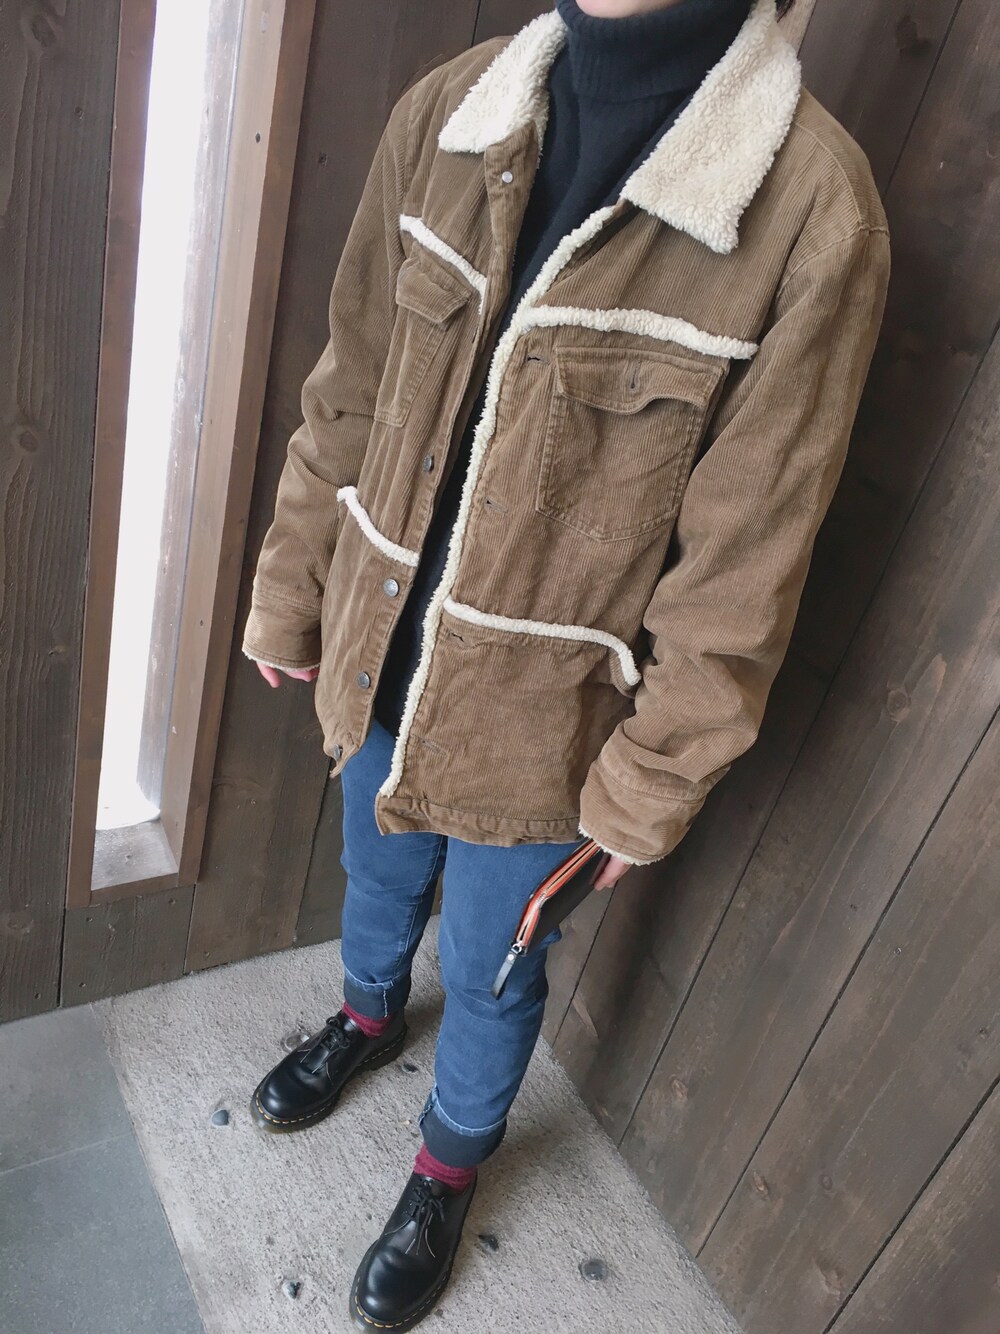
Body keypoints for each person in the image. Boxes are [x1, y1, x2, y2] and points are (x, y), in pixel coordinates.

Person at [241, 0, 890, 1327]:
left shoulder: (812, 209)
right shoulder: (455, 106)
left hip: (546, 735)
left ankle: (445, 1167)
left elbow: (746, 565)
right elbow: (351, 379)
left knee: (493, 963)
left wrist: (648, 788)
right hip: (381, 648)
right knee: (374, 869)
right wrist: (291, 586)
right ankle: (365, 1015)